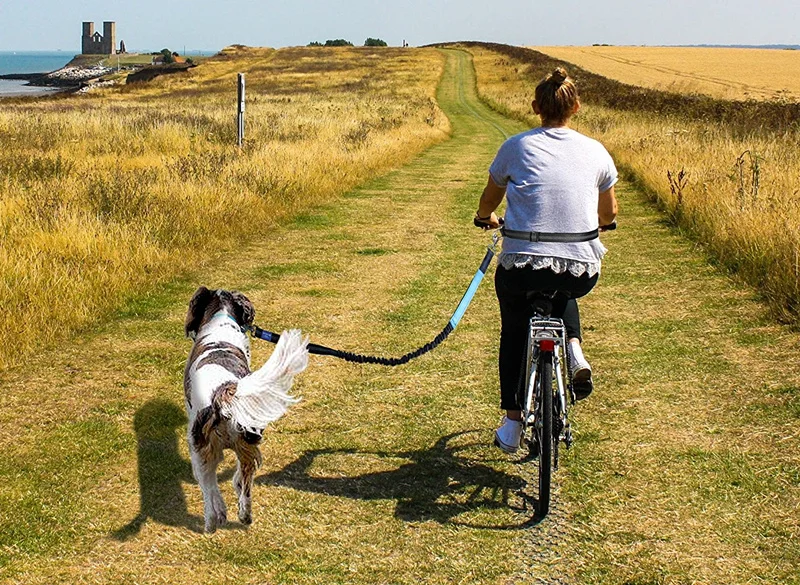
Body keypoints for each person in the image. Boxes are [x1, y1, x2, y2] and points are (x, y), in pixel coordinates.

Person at [474, 67, 618, 454]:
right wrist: (603, 225)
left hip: (521, 263)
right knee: (564, 282)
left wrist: (485, 217)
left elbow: (490, 200)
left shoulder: (516, 147)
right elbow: (608, 215)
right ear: (576, 107)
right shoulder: (596, 151)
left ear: (536, 107)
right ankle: (572, 346)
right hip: (581, 268)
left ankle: (512, 422)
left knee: (514, 328)